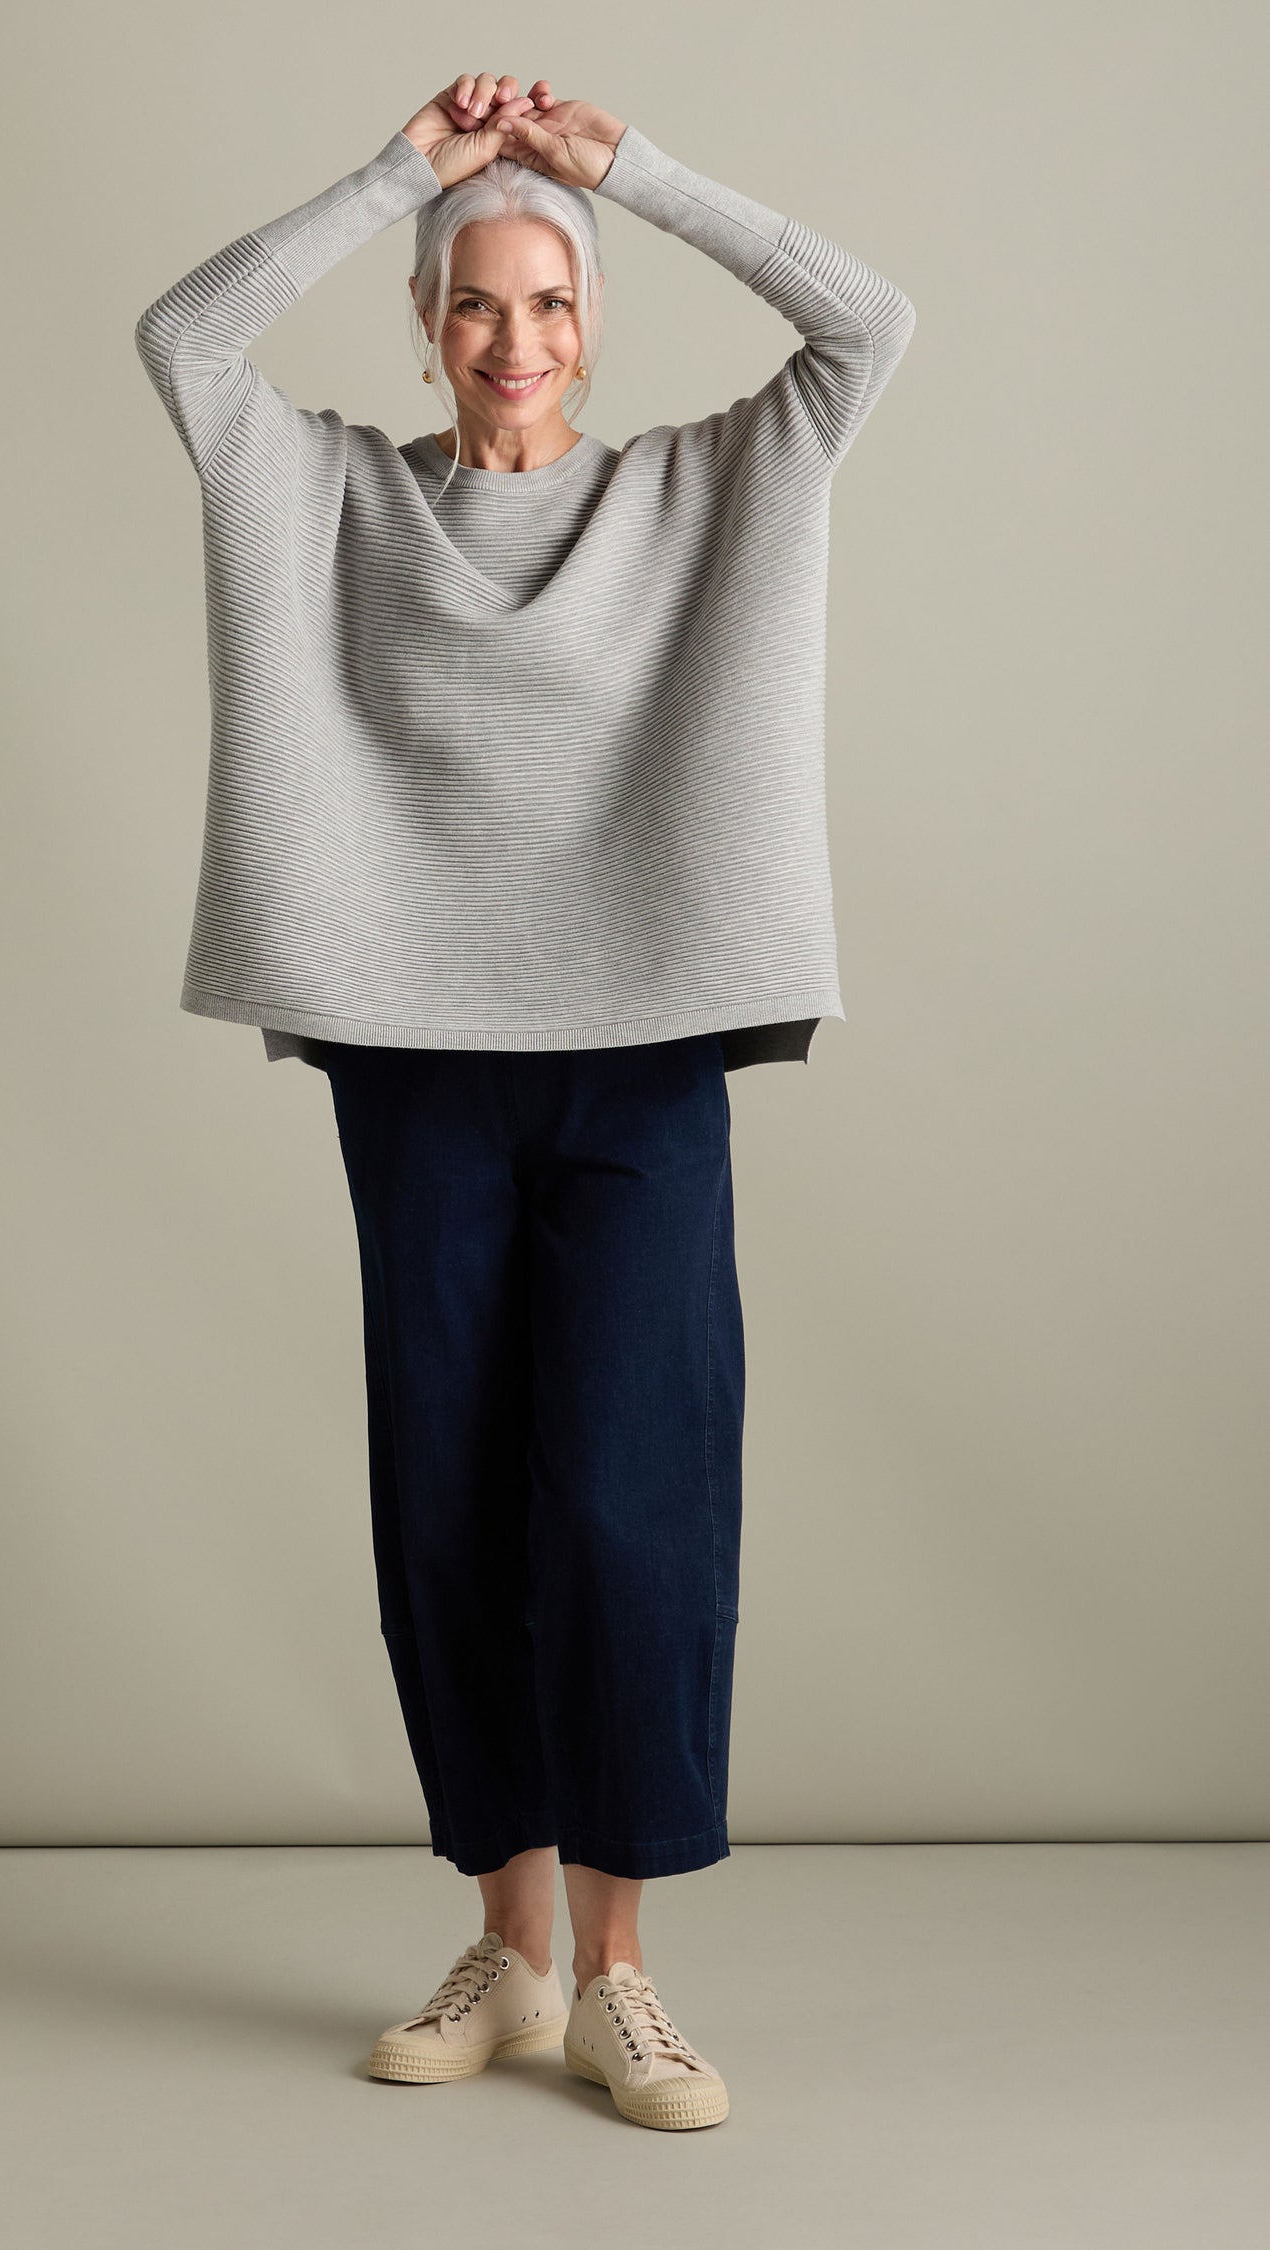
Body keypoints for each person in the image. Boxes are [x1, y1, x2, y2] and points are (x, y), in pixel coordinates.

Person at [134, 69, 916, 2132]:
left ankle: (623, 1979)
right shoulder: (327, 496)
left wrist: (617, 175)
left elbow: (870, 326)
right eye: (473, 304)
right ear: (426, 321)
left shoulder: (702, 489)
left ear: (594, 320)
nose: (513, 341)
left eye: (551, 304)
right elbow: (184, 338)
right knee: (455, 1495)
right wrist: (406, 175)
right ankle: (506, 1939)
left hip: (645, 1051)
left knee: (636, 1504)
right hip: (414, 1057)